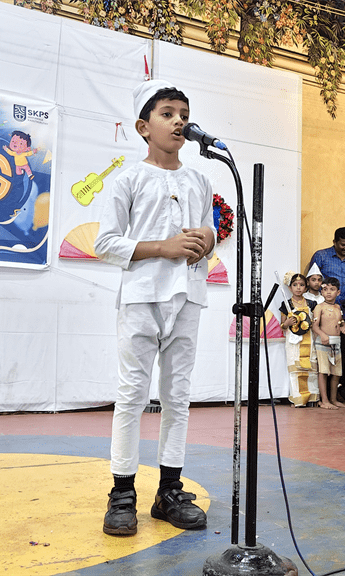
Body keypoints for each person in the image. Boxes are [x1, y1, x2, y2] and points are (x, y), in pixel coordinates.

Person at [93, 79, 215, 536]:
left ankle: (169, 491)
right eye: (167, 114)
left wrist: (208, 238)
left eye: (184, 115)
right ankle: (122, 491)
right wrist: (162, 247)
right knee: (132, 395)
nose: (179, 122)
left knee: (178, 396)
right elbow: (105, 243)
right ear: (144, 127)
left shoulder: (199, 180)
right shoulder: (128, 178)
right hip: (141, 296)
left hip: (188, 296)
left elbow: (207, 230)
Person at [309, 228, 345, 402]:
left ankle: (340, 390)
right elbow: (313, 279)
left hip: (344, 312)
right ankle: (323, 394)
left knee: (340, 353)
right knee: (323, 354)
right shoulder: (321, 256)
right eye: (343, 245)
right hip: (323, 312)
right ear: (334, 242)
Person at [279, 272, 319, 408]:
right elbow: (282, 325)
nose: (298, 288)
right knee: (296, 371)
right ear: (290, 288)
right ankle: (298, 399)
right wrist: (287, 323)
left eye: (301, 285)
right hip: (294, 342)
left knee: (311, 369)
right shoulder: (286, 304)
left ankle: (312, 398)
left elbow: (316, 320)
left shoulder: (311, 304)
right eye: (295, 285)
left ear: (305, 287)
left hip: (309, 339)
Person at [311, 277, 345, 410]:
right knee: (323, 372)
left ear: (338, 292)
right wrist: (322, 335)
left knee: (336, 372)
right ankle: (324, 400)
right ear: (321, 292)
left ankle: (333, 399)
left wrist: (343, 325)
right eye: (325, 289)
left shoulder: (338, 307)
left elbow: (340, 321)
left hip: (336, 343)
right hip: (323, 343)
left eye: (332, 289)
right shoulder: (319, 307)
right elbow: (314, 326)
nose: (328, 292)